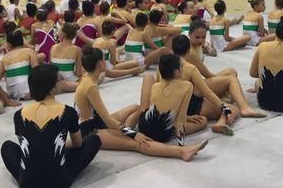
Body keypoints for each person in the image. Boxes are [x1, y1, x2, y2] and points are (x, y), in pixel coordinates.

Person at [75, 45, 208, 161]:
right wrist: (133, 134)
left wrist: (125, 130)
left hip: (97, 122)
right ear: (101, 64)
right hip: (90, 132)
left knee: (135, 108)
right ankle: (182, 152)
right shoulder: (90, 86)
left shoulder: (88, 77)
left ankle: (121, 135)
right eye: (104, 60)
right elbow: (108, 120)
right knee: (138, 143)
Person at [0, 64, 101, 188]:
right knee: (94, 140)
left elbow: (29, 147)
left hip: (28, 185)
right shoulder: (68, 112)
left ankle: (26, 175)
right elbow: (78, 144)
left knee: (7, 146)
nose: (62, 81)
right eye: (60, 79)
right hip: (61, 181)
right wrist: (59, 146)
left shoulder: (18, 115)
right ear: (51, 89)